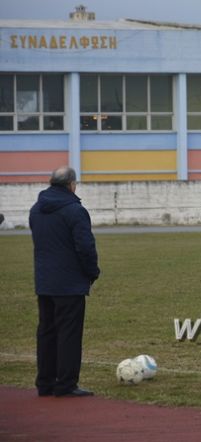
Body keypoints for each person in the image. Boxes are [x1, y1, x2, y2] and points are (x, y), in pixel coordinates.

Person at [29, 166, 100, 397]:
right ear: (71, 184)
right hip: (69, 282)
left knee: (47, 332)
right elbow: (85, 247)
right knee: (69, 333)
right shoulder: (74, 210)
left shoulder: (36, 210)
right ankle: (66, 383)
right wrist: (92, 272)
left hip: (45, 280)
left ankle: (45, 382)